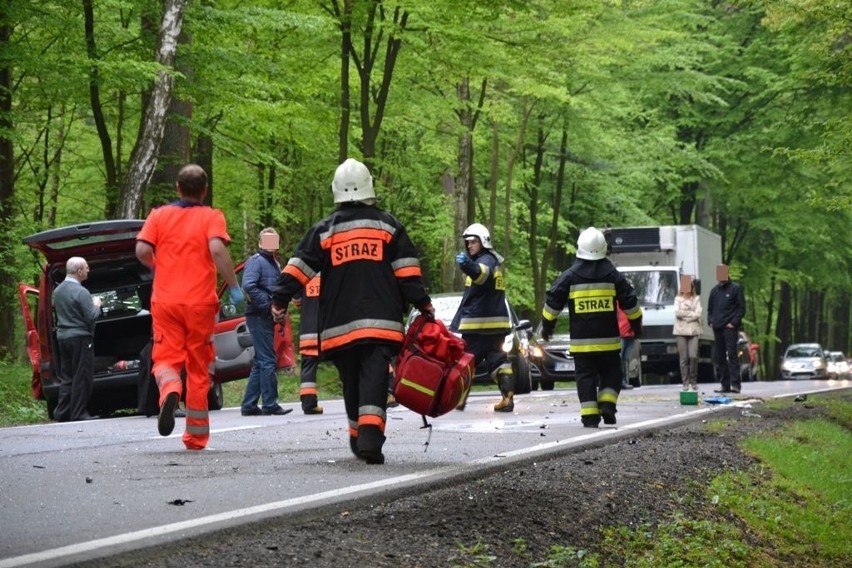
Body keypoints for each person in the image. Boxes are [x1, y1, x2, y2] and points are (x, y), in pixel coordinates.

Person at [271, 158, 434, 465]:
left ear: (336, 191)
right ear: (370, 187)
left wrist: (279, 300)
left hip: (339, 324)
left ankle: (360, 437)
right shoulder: (389, 226)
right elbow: (407, 273)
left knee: (351, 380)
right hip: (382, 322)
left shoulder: (325, 230)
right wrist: (423, 304)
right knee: (373, 375)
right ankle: (370, 437)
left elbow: (298, 268)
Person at [135, 164, 244, 450]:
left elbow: (142, 251)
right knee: (198, 367)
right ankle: (195, 436)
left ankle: (170, 389)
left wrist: (161, 267)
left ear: (177, 188)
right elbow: (218, 250)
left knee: (166, 359)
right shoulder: (211, 217)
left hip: (166, 301)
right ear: (205, 190)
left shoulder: (159, 216)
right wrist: (233, 287)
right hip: (200, 303)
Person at [540, 227, 642, 428]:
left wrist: (547, 327)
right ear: (604, 248)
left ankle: (589, 416)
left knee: (585, 378)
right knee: (612, 374)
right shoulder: (612, 274)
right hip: (608, 344)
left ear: (580, 248)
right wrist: (636, 325)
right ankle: (607, 404)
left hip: (582, 345)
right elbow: (630, 301)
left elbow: (553, 302)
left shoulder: (570, 276)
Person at [451, 223, 515, 412]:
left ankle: (459, 400)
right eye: (468, 242)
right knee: (499, 362)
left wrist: (466, 264)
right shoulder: (491, 261)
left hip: (478, 327)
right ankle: (507, 398)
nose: (469, 246)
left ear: (484, 242)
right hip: (496, 327)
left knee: (465, 362)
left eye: (473, 242)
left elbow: (481, 274)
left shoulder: (486, 261)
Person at [240, 228, 293, 417]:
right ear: (260, 243)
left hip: (266, 316)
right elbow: (248, 286)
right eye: (267, 241)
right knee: (268, 360)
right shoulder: (256, 261)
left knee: (260, 361)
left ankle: (249, 405)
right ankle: (270, 404)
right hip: (258, 315)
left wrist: (279, 309)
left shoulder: (274, 264)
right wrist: (267, 305)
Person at [52, 256, 103, 422]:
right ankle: (79, 413)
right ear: (79, 271)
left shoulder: (57, 291)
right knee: (82, 376)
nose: (88, 270)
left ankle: (62, 413)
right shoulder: (82, 292)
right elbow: (91, 317)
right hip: (80, 338)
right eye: (86, 267)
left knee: (67, 377)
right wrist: (97, 305)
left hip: (63, 338)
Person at [707, 263, 745, 394]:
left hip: (729, 328)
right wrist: (710, 321)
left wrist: (734, 323)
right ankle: (725, 384)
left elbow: (741, 308)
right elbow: (710, 309)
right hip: (717, 328)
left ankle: (736, 384)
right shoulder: (714, 291)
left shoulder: (735, 289)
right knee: (719, 356)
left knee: (732, 354)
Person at [293, 274, 324, 415]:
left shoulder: (305, 273)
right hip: (330, 329)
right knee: (345, 362)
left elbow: (297, 301)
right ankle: (356, 399)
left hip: (309, 329)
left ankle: (309, 404)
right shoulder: (334, 270)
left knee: (308, 366)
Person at [673, 274, 702, 391]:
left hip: (693, 331)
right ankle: (685, 382)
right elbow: (677, 313)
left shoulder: (696, 299)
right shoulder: (677, 299)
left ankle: (693, 381)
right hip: (680, 331)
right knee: (683, 358)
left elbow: (698, 313)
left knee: (693, 356)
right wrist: (691, 314)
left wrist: (686, 315)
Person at [616, 304, 635, 390]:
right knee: (619, 359)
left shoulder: (631, 300)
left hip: (630, 334)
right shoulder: (616, 302)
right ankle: (619, 381)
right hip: (620, 334)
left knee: (625, 359)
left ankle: (623, 380)